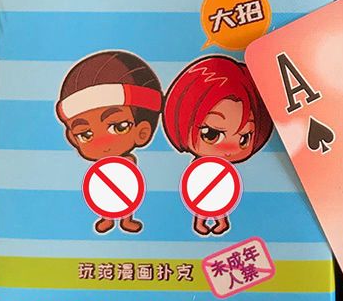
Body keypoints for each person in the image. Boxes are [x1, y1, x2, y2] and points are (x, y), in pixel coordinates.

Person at [163, 55, 273, 236]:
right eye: (211, 134)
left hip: (221, 190)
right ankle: (200, 222)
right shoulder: (198, 167)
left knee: (219, 200)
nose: (228, 149)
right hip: (200, 191)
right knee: (202, 201)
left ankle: (220, 221)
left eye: (244, 138)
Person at [56, 50, 163, 234]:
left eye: (119, 127)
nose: (102, 142)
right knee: (105, 197)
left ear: (142, 132)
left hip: (126, 190)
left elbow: (131, 181)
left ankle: (127, 219)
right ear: (73, 139)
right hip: (104, 190)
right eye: (85, 134)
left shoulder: (128, 162)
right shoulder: (100, 167)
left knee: (127, 196)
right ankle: (107, 218)